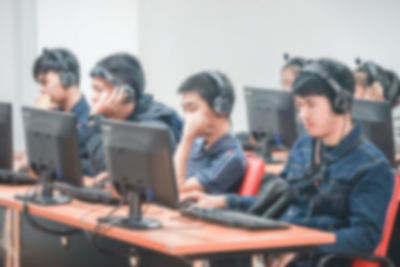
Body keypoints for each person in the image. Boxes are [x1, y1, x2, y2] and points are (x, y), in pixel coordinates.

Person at [182, 59, 394, 267]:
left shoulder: (371, 166)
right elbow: (278, 200)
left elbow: (364, 237)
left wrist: (303, 246)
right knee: (224, 249)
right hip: (284, 249)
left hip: (318, 259)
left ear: (341, 103)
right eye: (299, 106)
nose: (303, 116)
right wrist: (225, 202)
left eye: (311, 105)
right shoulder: (304, 148)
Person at [86, 53, 183, 176]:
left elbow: (110, 170)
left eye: (99, 90)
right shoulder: (116, 120)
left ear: (126, 93)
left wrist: (93, 120)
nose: (93, 97)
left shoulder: (151, 128)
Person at [15, 48, 92, 175]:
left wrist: (40, 118)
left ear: (67, 79)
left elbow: (54, 160)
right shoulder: (57, 113)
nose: (41, 90)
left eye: (44, 82)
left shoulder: (87, 121)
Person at [174, 71, 247, 194]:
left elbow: (178, 190)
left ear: (221, 108)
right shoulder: (197, 142)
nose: (186, 118)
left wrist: (186, 139)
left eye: (192, 109)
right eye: (184, 111)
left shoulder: (232, 158)